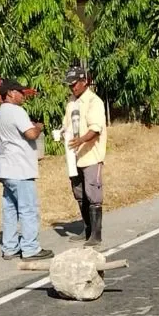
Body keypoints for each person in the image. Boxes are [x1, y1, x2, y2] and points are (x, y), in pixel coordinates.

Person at [0, 79, 53, 261]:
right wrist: (39, 126)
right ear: (10, 93)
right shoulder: (16, 111)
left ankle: (9, 247)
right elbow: (31, 134)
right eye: (20, 91)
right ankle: (30, 248)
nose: (23, 95)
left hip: (6, 168)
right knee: (28, 209)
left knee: (10, 209)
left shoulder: (1, 113)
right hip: (20, 168)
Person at [61, 66, 107, 246]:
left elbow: (95, 129)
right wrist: (63, 133)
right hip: (74, 157)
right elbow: (67, 125)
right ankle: (87, 229)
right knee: (79, 193)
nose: (72, 88)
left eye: (74, 84)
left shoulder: (94, 102)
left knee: (92, 193)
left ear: (84, 82)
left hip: (91, 156)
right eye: (70, 85)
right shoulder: (71, 102)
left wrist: (81, 140)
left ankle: (96, 234)